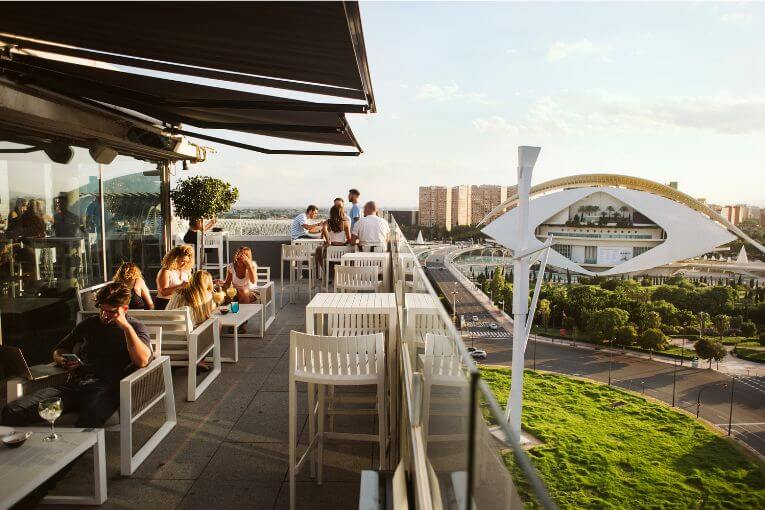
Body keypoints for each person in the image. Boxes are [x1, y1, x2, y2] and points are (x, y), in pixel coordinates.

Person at [1, 282, 152, 428]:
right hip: (74, 386)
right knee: (12, 411)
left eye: (111, 311)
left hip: (106, 389)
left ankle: (70, 452)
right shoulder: (89, 325)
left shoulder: (135, 328)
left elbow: (142, 361)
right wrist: (62, 359)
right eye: (101, 309)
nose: (105, 315)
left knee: (90, 418)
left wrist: (125, 327)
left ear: (124, 309)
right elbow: (60, 348)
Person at [317, 203, 352, 277]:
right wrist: (344, 243)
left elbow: (324, 229)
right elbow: (349, 239)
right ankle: (342, 275)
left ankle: (328, 272)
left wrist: (328, 241)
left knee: (318, 250)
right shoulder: (346, 223)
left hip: (331, 249)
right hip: (342, 251)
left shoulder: (328, 222)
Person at [155, 244, 194, 309]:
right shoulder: (166, 271)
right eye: (182, 261)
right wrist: (180, 286)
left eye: (187, 262)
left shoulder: (187, 271)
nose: (184, 264)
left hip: (179, 302)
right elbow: (163, 292)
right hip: (164, 303)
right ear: (174, 259)